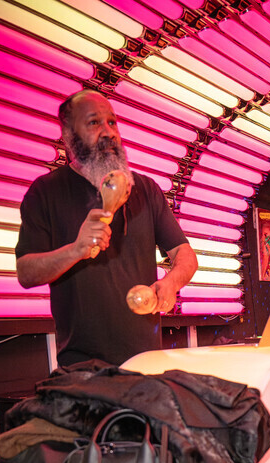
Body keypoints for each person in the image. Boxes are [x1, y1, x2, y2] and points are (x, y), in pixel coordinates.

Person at [15, 89, 198, 366]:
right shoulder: (45, 192)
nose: (109, 132)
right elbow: (26, 273)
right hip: (81, 366)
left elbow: (185, 254)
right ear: (68, 134)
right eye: (94, 123)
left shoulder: (146, 189)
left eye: (112, 122)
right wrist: (75, 250)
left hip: (146, 360)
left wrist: (171, 283)